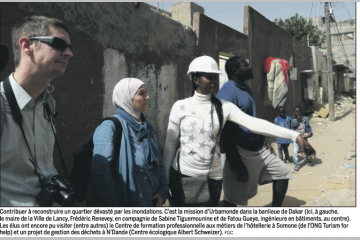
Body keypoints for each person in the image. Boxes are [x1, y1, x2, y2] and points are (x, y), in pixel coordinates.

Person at [163, 55, 316, 207]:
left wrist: (296, 136)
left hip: (213, 176)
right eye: (209, 77)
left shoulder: (224, 107)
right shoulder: (181, 106)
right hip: (188, 174)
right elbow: (171, 143)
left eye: (215, 77)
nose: (214, 81)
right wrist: (166, 179)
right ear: (196, 80)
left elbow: (254, 124)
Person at [216, 56, 315, 207]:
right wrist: (236, 164)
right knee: (234, 199)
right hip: (239, 151)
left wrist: (263, 142)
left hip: (256, 148)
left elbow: (253, 122)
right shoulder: (227, 94)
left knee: (282, 172)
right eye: (245, 65)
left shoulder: (245, 87)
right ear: (235, 71)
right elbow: (226, 134)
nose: (250, 67)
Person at [0, 16, 73, 206]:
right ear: (26, 45)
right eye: (59, 43)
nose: (68, 53)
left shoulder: (49, 104)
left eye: (70, 48)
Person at [88, 78, 168, 207]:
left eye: (146, 92)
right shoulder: (109, 127)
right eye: (141, 93)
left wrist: (162, 191)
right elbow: (101, 172)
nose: (147, 97)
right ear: (126, 98)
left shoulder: (147, 127)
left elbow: (158, 162)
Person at [291, 105, 313, 171]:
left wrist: (310, 132)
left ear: (302, 112)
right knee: (295, 152)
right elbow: (292, 126)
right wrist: (297, 120)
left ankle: (309, 160)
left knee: (307, 151)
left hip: (304, 139)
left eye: (299, 112)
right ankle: (296, 165)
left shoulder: (305, 119)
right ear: (294, 112)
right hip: (296, 139)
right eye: (296, 112)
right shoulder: (293, 120)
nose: (298, 113)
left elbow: (308, 127)